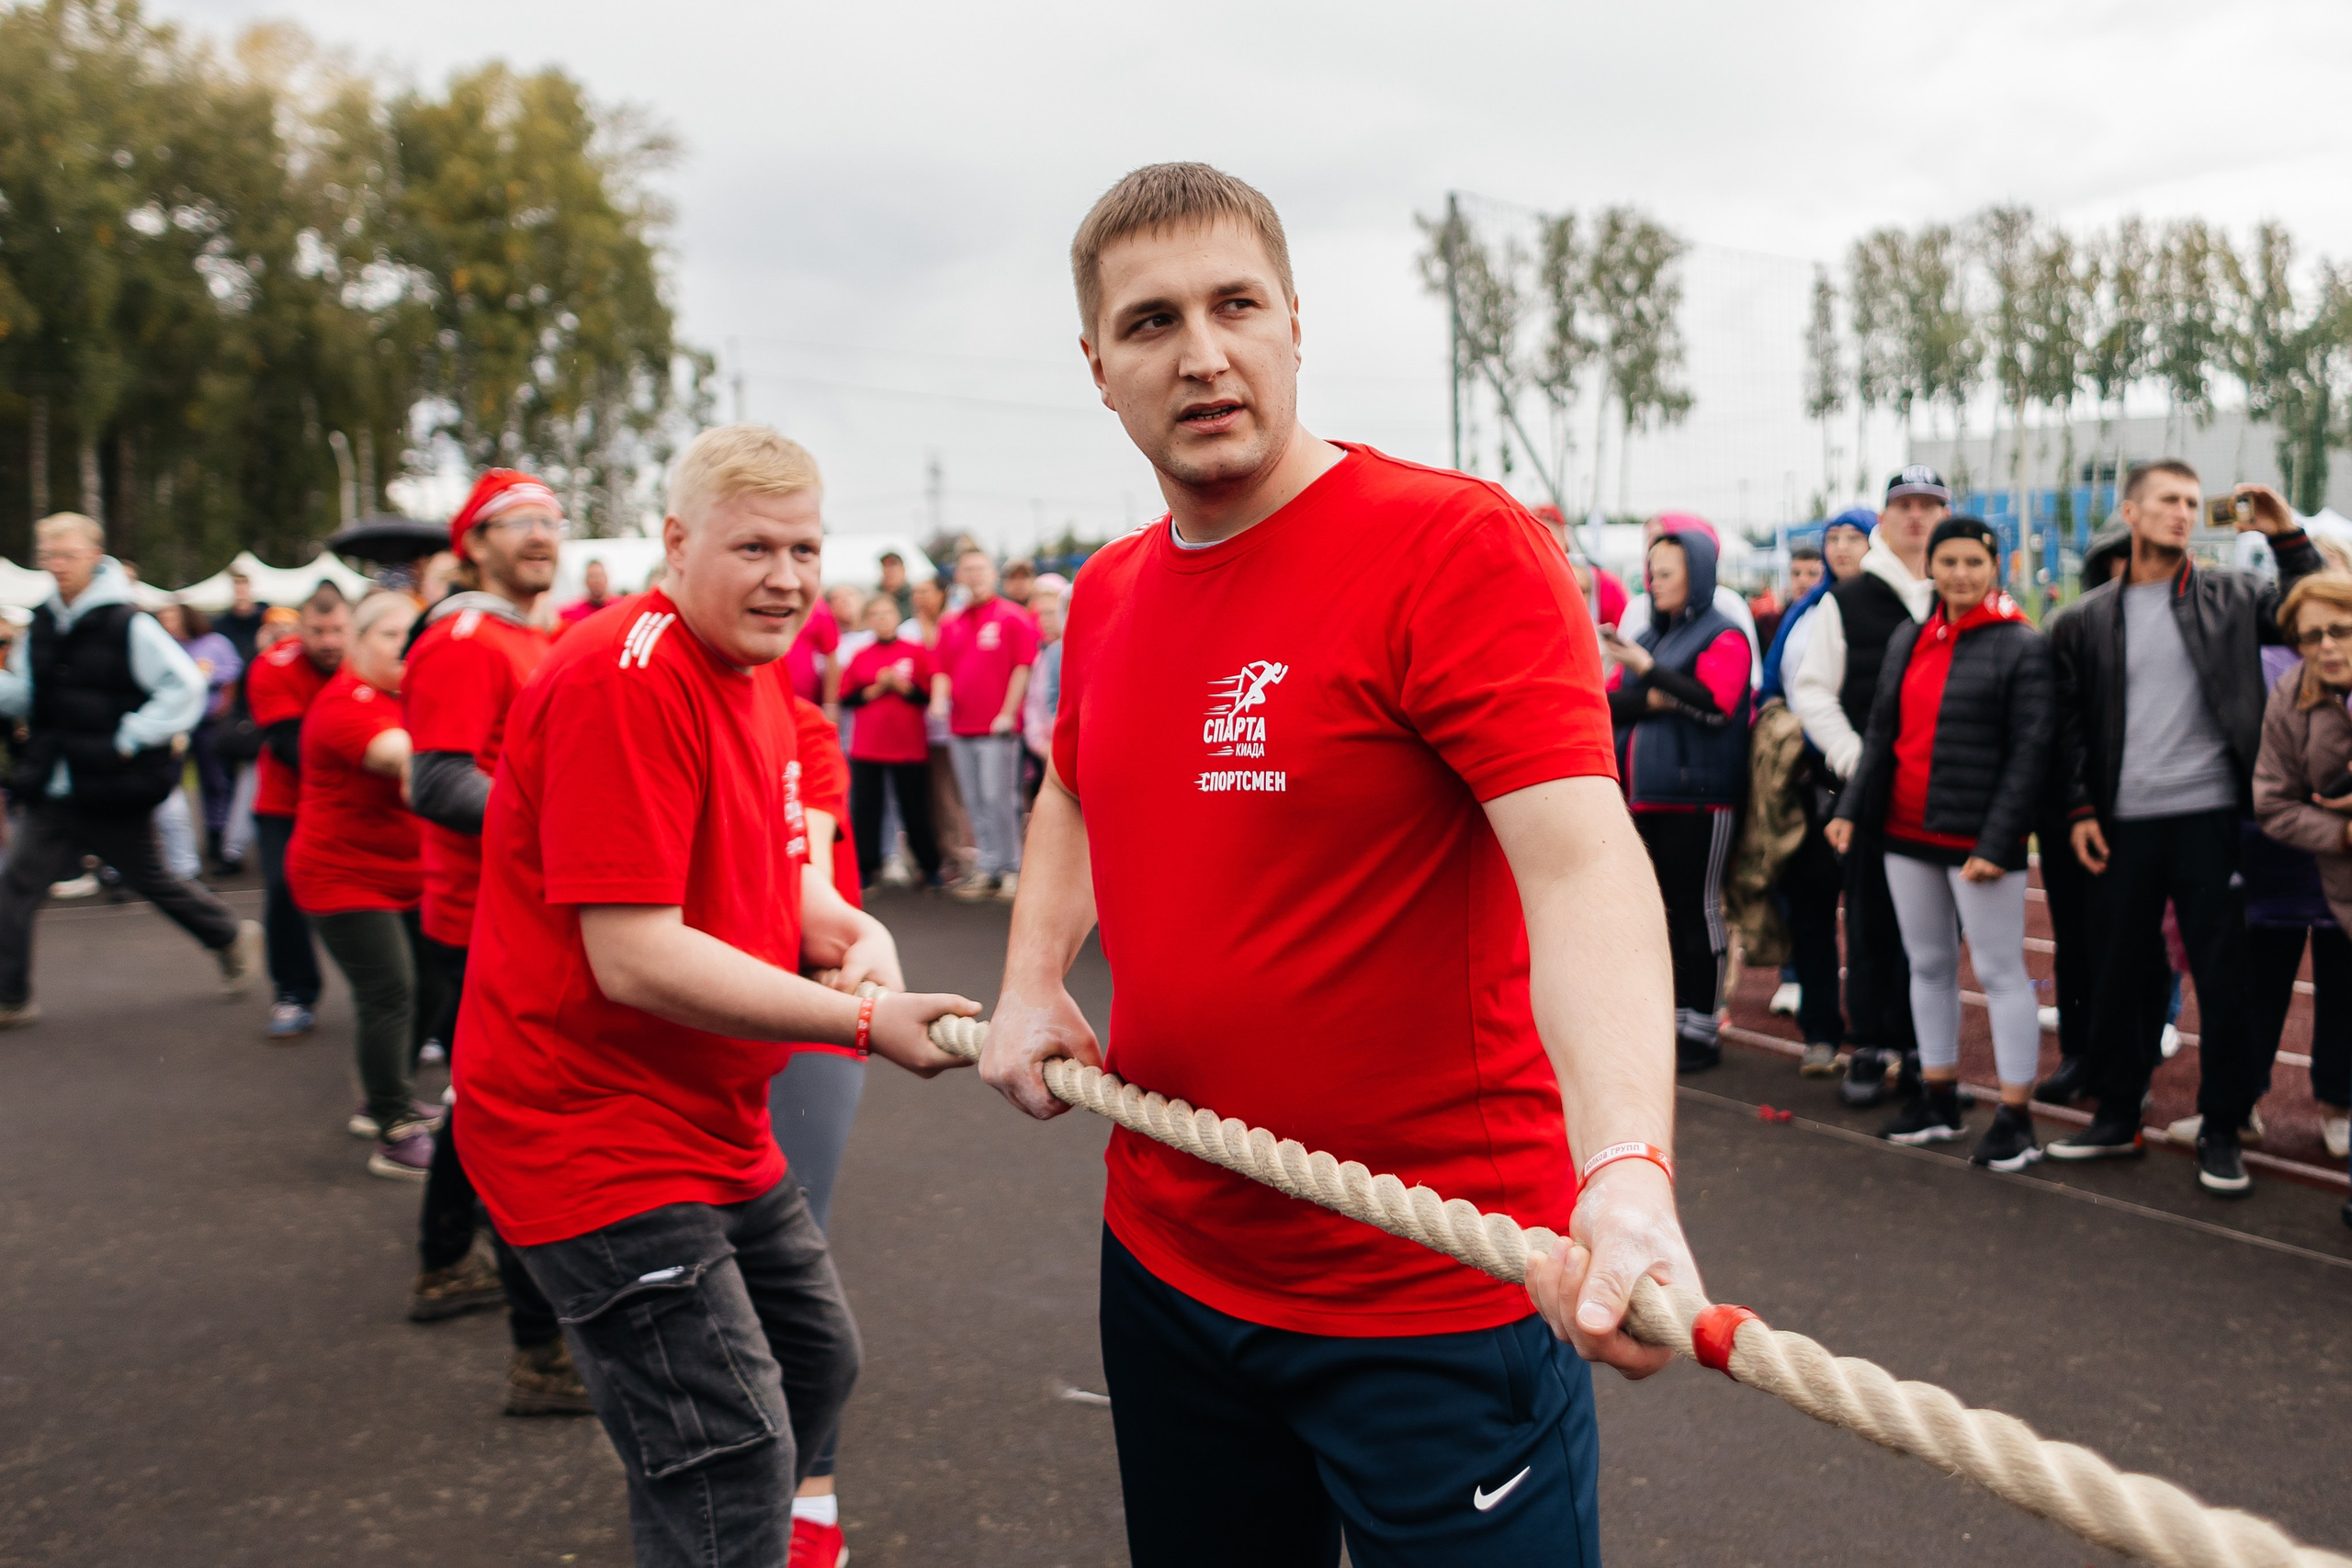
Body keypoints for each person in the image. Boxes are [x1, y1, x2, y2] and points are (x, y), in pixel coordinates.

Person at [980, 162, 1697, 1567]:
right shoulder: (1116, 589)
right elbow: (1074, 775)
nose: (1202, 354)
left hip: (1435, 1289)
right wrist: (1026, 979)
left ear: (1295, 320)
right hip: (1172, 1257)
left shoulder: (1452, 544)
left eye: (1235, 303)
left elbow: (1581, 862)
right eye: (1151, 323)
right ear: (1098, 367)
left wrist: (1623, 1163)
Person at [456, 423, 977, 1568]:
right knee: (725, 1450)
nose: (787, 578)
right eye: (754, 549)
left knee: (812, 1363)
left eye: (805, 550)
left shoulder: (749, 672)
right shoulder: (621, 677)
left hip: (701, 1115)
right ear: (675, 542)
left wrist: (845, 921)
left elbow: (764, 858)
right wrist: (857, 1020)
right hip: (584, 1127)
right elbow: (633, 956)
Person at [2044, 468, 2313, 1196]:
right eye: (2168, 499)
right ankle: (2116, 1115)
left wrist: (2285, 532)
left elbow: (2315, 606)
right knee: (2119, 974)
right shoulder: (2081, 619)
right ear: (2130, 511)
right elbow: (2066, 732)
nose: (2183, 513)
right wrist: (2077, 810)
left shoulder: (2234, 596)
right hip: (2121, 824)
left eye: (2193, 503)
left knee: (2225, 984)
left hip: (2210, 818)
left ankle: (2221, 1128)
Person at [399, 468, 585, 1416]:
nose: (539, 536)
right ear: (471, 543)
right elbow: (432, 782)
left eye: (550, 521)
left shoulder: (532, 631)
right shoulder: (468, 637)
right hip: (486, 920)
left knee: (484, 1103)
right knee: (527, 1124)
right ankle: (542, 1352)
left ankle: (442, 1266)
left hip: (516, 913)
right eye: (516, 524)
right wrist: (566, 827)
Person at [1826, 518, 2052, 1168]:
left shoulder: (2019, 643)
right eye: (1947, 560)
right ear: (1930, 565)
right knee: (1926, 964)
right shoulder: (1911, 635)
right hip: (1903, 831)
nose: (1959, 573)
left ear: (1994, 565)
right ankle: (1939, 1096)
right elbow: (1881, 734)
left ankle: (2015, 1115)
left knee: (2001, 970)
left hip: (1980, 844)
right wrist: (1852, 809)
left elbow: (2030, 752)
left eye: (1972, 561)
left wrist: (1998, 838)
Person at [0, 513, 262, 1026]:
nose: (57, 566)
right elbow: (29, 692)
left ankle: (229, 936)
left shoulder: (129, 623)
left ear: (96, 557)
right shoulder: (46, 623)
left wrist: (130, 736)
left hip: (109, 783)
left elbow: (184, 686)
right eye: (49, 556)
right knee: (15, 886)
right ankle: (10, 997)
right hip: (56, 784)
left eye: (67, 555)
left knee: (156, 881)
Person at [1791, 469, 1948, 1107]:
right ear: (1884, 518)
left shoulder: (1959, 592)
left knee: (1937, 936)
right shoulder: (1848, 600)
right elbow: (1811, 691)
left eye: (1929, 506)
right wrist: (1856, 759)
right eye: (1904, 505)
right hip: (1872, 798)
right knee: (1872, 921)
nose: (1917, 517)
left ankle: (1924, 1055)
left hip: (1945, 800)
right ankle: (1871, 1047)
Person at [284, 592, 444, 1179]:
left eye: (413, 636)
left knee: (431, 983)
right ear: (358, 641)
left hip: (405, 875)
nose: (405, 647)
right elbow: (400, 757)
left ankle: (381, 1096)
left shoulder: (405, 698)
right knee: (391, 991)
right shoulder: (345, 705)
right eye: (390, 635)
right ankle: (394, 1130)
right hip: (342, 878)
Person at [1603, 523, 1753, 1072]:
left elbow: (1718, 703)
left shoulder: (1723, 633)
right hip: (1648, 797)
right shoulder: (1651, 637)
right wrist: (1658, 693)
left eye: (1666, 573)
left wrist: (1649, 676)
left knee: (1699, 909)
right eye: (1650, 572)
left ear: (1697, 576)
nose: (1653, 582)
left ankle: (1704, 1027)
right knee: (1660, 913)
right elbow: (1612, 704)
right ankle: (1673, 1020)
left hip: (1701, 797)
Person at [1755, 507, 1873, 1072]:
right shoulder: (1806, 609)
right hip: (1807, 782)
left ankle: (1879, 1037)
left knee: (1873, 917)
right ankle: (1821, 1033)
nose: (1843, 547)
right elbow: (1773, 684)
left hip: (1866, 780)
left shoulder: (1888, 607)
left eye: (1856, 536)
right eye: (1834, 538)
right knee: (1810, 909)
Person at [2250, 573, 2352, 1187]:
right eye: (2312, 634)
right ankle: (2238, 1104)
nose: (2328, 644)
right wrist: (2340, 832)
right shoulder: (2289, 696)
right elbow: (2274, 803)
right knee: (2263, 988)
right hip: (2304, 870)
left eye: (2340, 627)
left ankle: (2342, 1102)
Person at [245, 587, 346, 1038]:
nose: (328, 642)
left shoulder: (374, 655)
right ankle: (293, 992)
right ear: (298, 628)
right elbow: (291, 746)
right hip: (288, 803)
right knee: (285, 889)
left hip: (361, 800)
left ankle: (427, 1009)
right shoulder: (273, 666)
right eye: (317, 631)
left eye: (338, 630)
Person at [931, 548, 1036, 900]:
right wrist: (939, 703)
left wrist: (1008, 711)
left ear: (993, 574)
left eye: (980, 569)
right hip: (962, 726)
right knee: (974, 800)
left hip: (998, 728)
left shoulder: (1013, 617)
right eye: (967, 570)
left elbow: (1023, 666)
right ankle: (988, 866)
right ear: (959, 576)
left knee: (999, 797)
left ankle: (1011, 867)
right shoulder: (951, 622)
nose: (974, 576)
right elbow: (942, 669)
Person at [842, 593, 944, 889]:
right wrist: (876, 689)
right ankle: (865, 868)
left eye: (887, 613)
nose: (882, 619)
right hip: (868, 745)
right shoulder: (861, 654)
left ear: (896, 616)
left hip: (907, 745)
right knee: (866, 809)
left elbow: (926, 694)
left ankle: (929, 867)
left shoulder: (915, 651)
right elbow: (847, 697)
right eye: (876, 615)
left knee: (915, 808)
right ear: (869, 620)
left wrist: (899, 686)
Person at [157, 600, 243, 873]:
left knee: (215, 782)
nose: (167, 623)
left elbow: (231, 676)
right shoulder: (164, 647)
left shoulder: (214, 643)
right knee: (169, 782)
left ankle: (218, 841)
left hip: (208, 723)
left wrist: (223, 708)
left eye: (171, 617)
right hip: (177, 726)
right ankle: (178, 851)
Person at [214, 569, 266, 665]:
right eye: (237, 583)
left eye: (243, 583)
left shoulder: (266, 617)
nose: (240, 588)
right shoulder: (221, 624)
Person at [560, 558, 615, 626]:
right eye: (592, 577)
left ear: (606, 579)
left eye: (599, 576)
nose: (596, 581)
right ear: (585, 581)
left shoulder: (619, 607)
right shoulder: (569, 613)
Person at [876, 550, 916, 619]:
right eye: (885, 566)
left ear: (903, 569)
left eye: (893, 566)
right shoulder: (876, 596)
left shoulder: (914, 596)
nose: (889, 571)